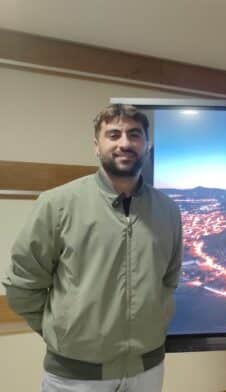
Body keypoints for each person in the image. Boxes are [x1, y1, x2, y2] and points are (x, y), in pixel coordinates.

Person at [3, 104, 183, 391]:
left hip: (146, 370)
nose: (125, 143)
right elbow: (23, 286)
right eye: (113, 134)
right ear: (96, 146)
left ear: (146, 146)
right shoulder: (57, 204)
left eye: (134, 135)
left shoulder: (168, 211)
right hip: (75, 376)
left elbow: (169, 281)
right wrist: (63, 332)